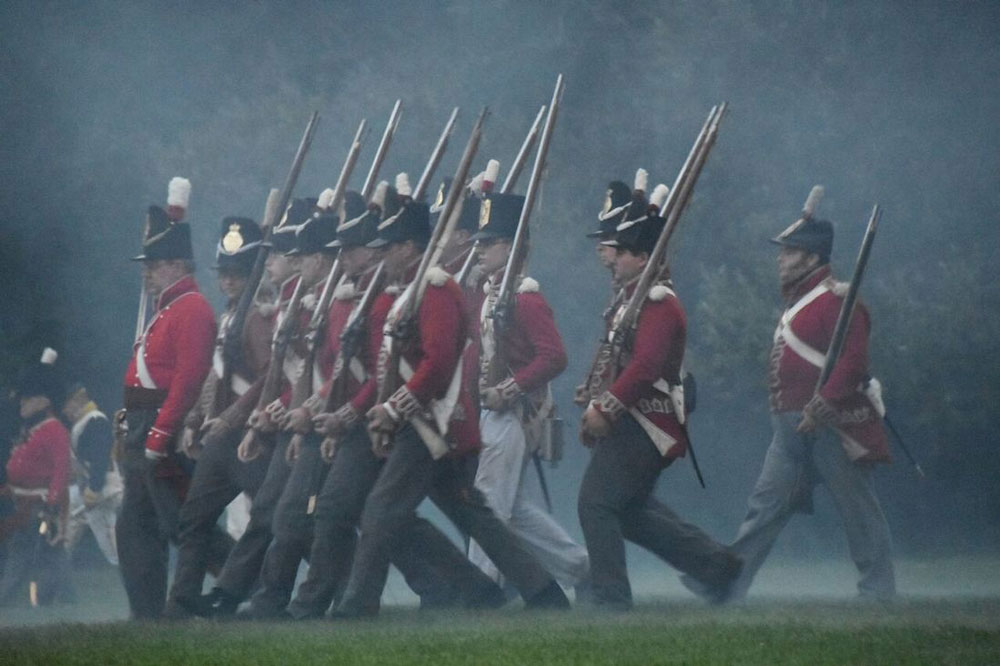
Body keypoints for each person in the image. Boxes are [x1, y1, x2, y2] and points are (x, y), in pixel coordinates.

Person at [333, 194, 569, 617]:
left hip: (435, 425)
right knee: (473, 516)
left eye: (390, 246)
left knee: (381, 510)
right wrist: (384, 413)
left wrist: (393, 410)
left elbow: (439, 364)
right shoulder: (404, 294)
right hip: (420, 423)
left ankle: (358, 606)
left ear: (409, 247)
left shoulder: (437, 289)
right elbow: (390, 364)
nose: (382, 254)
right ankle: (528, 593)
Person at [702, 207, 895, 602]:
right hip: (788, 427)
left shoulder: (838, 300)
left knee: (858, 511)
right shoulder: (800, 302)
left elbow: (853, 362)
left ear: (811, 257)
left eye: (789, 252)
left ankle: (878, 590)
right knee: (763, 508)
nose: (780, 258)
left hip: (830, 426)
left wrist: (821, 405)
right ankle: (728, 585)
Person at [577, 176, 741, 610]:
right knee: (629, 513)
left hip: (647, 421)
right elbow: (619, 355)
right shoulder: (632, 298)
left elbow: (646, 366)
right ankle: (717, 566)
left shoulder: (659, 301)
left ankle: (611, 600)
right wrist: (595, 390)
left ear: (643, 257)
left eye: (623, 252)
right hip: (633, 419)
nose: (614, 259)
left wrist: (606, 407)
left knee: (594, 503)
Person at [467, 190, 590, 592]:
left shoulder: (525, 295)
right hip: (496, 411)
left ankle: (483, 587)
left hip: (517, 412)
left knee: (487, 504)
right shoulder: (493, 293)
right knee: (514, 509)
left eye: (488, 243)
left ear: (510, 246)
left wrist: (511, 388)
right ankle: (579, 569)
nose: (479, 250)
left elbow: (554, 357)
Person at [198, 200, 310, 616]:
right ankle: (236, 592)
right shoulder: (271, 306)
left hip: (305, 420)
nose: (228, 280)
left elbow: (286, 372)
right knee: (272, 513)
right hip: (282, 418)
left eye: (236, 272)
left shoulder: (279, 309)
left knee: (302, 517)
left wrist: (258, 416)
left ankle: (314, 592)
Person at [118, 190, 222, 619]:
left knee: (185, 525)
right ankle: (147, 614)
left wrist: (160, 434)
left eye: (156, 265)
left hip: (163, 428)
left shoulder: (192, 309)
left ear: (178, 265)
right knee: (136, 527)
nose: (149, 274)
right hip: (144, 423)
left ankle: (243, 583)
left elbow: (188, 380)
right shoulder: (168, 308)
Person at [167, 215, 275, 616]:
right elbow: (215, 377)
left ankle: (283, 594)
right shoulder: (230, 315)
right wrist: (195, 420)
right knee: (193, 520)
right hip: (222, 437)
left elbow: (267, 378)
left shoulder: (259, 316)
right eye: (225, 273)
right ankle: (181, 603)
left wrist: (229, 419)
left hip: (251, 437)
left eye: (237, 273)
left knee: (283, 521)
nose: (228, 281)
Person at [0, 348, 72, 606]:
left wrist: (52, 502)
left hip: (40, 503)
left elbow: (61, 469)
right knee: (49, 552)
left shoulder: (54, 430)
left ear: (44, 400)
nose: (21, 402)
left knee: (34, 551)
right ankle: (65, 599)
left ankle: (6, 598)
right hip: (22, 502)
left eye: (27, 398)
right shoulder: (33, 428)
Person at [62, 383, 122, 567]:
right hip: (90, 493)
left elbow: (100, 459)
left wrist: (94, 489)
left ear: (79, 399)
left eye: (67, 404)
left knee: (116, 551)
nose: (65, 411)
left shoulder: (94, 420)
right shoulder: (85, 423)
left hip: (104, 493)